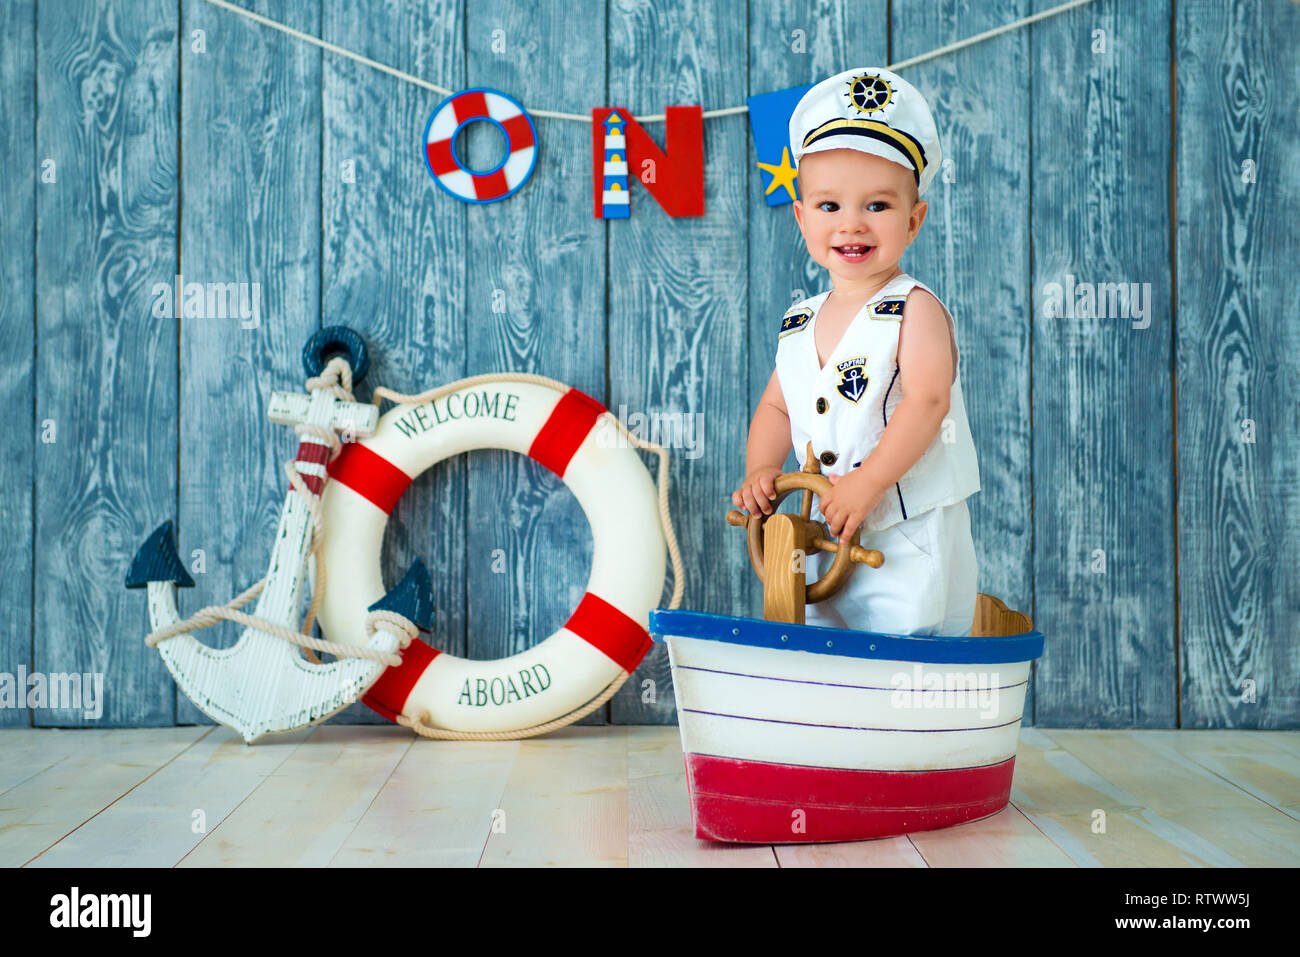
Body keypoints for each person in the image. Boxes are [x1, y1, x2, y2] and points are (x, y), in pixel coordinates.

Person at [732, 67, 982, 637]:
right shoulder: (799, 321)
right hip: (821, 524)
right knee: (820, 633)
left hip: (903, 527)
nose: (852, 224)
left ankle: (914, 721)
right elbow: (777, 408)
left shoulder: (914, 309)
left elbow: (927, 400)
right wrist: (763, 469)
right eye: (829, 207)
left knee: (907, 633)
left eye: (877, 206)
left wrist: (869, 482)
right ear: (801, 217)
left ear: (913, 220)